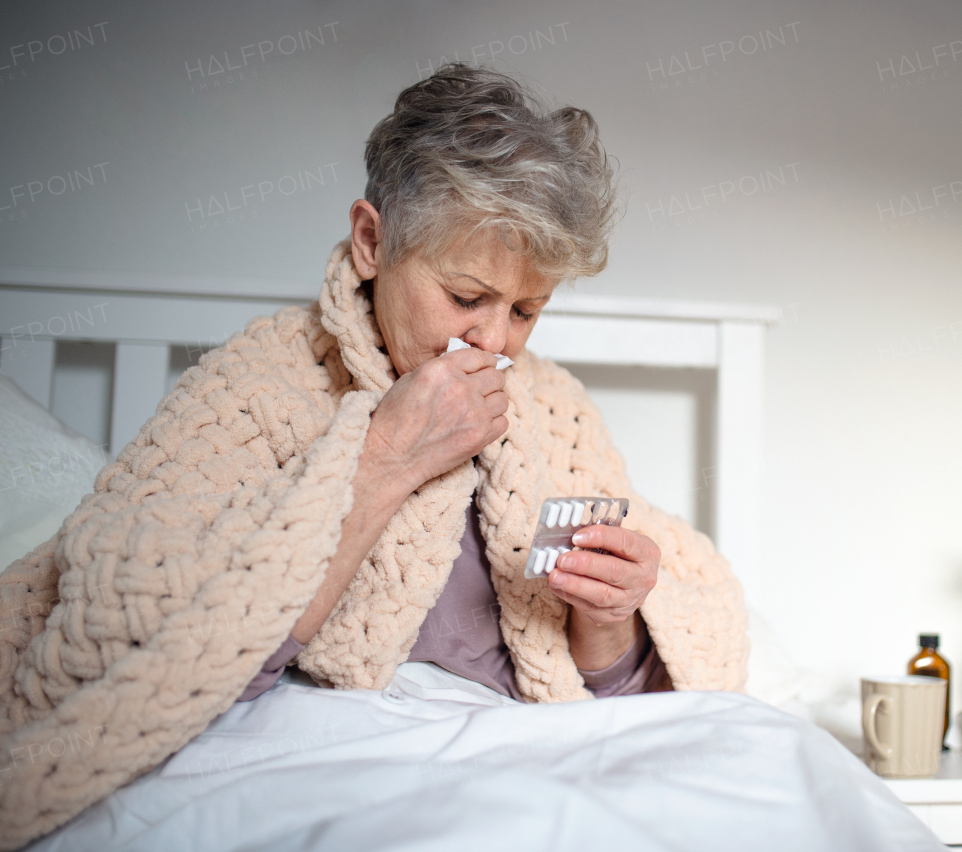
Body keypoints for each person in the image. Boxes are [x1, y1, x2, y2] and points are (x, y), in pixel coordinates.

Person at [0, 64, 746, 846]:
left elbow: (614, 697)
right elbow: (176, 651)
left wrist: (611, 619)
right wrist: (386, 455)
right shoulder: (260, 385)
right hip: (308, 742)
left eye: (526, 310)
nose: (493, 341)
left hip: (512, 749)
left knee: (780, 769)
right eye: (465, 297)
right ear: (371, 242)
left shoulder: (551, 409)